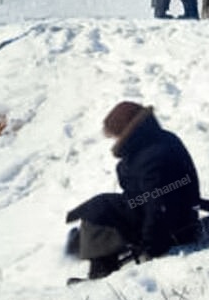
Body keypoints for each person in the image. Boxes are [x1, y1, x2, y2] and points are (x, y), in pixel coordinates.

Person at [65, 102, 201, 280]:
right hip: (171, 212)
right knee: (102, 206)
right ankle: (87, 242)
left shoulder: (151, 156)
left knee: (100, 209)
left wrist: (151, 245)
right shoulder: (155, 142)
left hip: (174, 224)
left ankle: (101, 270)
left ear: (126, 132)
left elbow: (159, 205)